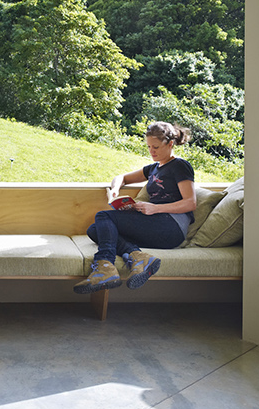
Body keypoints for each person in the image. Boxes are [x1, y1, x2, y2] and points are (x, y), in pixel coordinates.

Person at [76, 122, 197, 293]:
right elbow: (122, 177)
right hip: (155, 223)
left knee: (104, 216)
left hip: (171, 227)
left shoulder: (180, 166)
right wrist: (115, 190)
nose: (151, 151)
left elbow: (190, 202)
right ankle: (137, 256)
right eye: (149, 147)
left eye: (156, 147)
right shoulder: (154, 168)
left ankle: (105, 266)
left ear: (170, 144)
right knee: (95, 230)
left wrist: (154, 208)